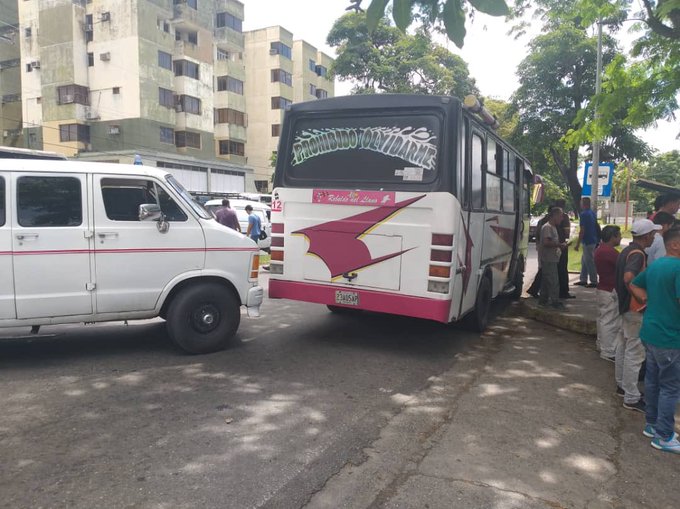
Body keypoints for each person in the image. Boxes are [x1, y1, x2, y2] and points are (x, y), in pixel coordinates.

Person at [629, 227, 680, 453]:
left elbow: (634, 283)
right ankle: (664, 435)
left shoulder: (657, 264)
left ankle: (652, 424)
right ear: (675, 244)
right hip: (669, 336)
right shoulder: (678, 267)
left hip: (651, 332)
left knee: (653, 381)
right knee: (670, 387)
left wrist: (646, 299)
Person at [614, 218, 661, 412]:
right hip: (635, 310)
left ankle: (622, 386)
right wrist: (641, 298)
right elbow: (628, 278)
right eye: (653, 234)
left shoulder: (626, 250)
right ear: (647, 235)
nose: (654, 237)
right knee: (635, 353)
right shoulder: (638, 254)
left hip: (625, 307)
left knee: (623, 348)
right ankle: (631, 397)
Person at [594, 225, 623, 362]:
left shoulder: (601, 249)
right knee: (610, 321)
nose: (621, 237)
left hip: (604, 287)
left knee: (603, 319)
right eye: (619, 235)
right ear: (613, 237)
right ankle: (608, 350)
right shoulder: (609, 252)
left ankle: (602, 345)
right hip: (610, 288)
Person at [538, 207, 567, 309]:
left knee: (546, 281)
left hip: (552, 258)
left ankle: (543, 300)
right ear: (554, 215)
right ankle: (555, 302)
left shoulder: (553, 227)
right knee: (553, 281)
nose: (562, 218)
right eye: (560, 216)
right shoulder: (547, 227)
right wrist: (559, 245)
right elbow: (546, 242)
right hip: (548, 258)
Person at [574, 197, 599, 287]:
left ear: (583, 204)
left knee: (589, 261)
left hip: (587, 241)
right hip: (593, 239)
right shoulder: (592, 213)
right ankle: (583, 279)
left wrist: (577, 244)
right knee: (584, 260)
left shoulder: (583, 214)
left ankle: (594, 281)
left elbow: (582, 230)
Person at [554, 199, 575, 299]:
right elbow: (567, 233)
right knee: (562, 269)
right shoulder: (564, 217)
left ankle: (537, 289)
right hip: (561, 245)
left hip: (551, 246)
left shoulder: (548, 217)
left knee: (550, 269)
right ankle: (563, 292)